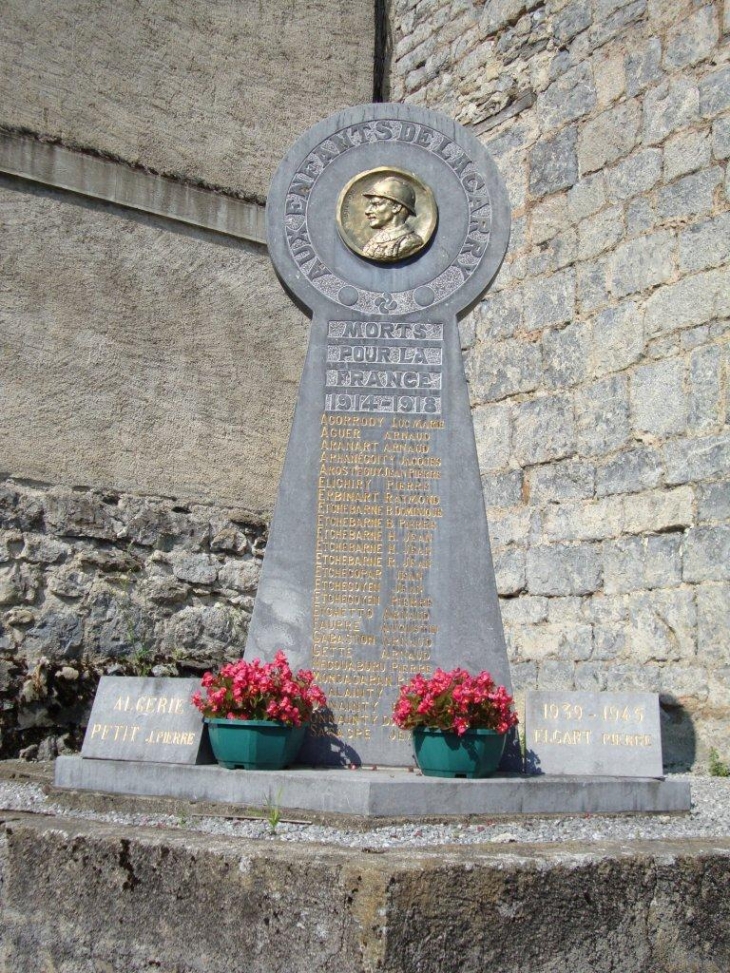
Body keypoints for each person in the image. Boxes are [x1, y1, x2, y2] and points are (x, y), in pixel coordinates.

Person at [361, 175, 424, 261]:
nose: (367, 211)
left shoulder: (410, 242)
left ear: (396, 207)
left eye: (376, 204)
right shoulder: (375, 240)